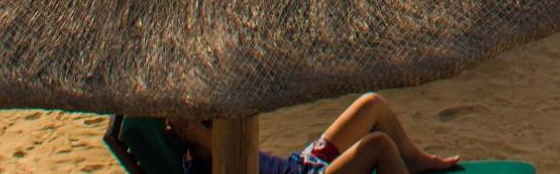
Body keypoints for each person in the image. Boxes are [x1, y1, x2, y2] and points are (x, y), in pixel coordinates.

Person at [165, 96, 462, 173]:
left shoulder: (216, 150)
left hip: (303, 164)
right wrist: (196, 133)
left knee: (372, 105)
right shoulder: (219, 167)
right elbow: (212, 143)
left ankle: (413, 160)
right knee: (379, 145)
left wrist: (196, 132)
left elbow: (211, 140)